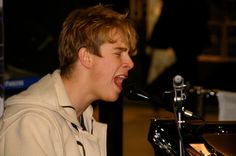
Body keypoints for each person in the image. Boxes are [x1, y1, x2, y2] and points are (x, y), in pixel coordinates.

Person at [0, 4, 137, 156]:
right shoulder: (31, 124)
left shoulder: (83, 118)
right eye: (118, 53)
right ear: (86, 57)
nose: (130, 63)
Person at [146, 0, 210, 96]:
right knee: (187, 67)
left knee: (185, 67)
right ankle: (158, 90)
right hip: (186, 36)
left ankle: (157, 90)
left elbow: (167, 15)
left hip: (182, 36)